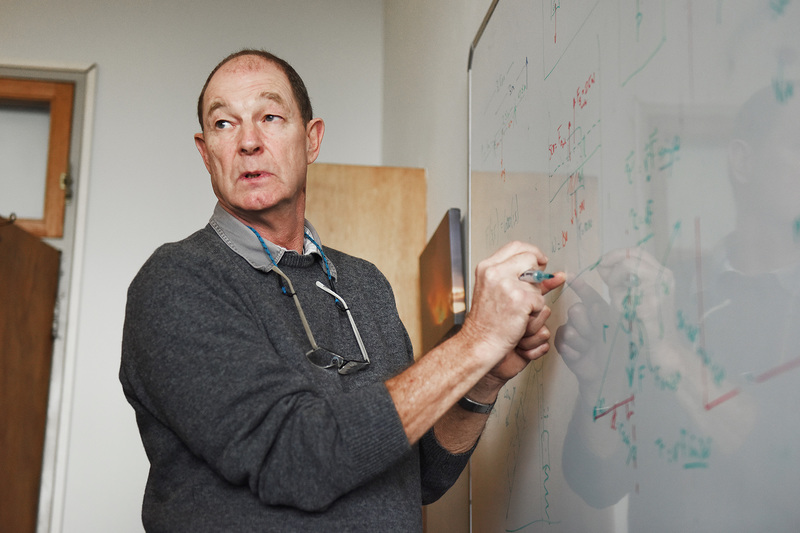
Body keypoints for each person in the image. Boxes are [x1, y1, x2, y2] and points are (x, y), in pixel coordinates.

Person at [120, 49, 565, 531]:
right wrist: (474, 342)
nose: (249, 141)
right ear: (206, 152)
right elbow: (299, 458)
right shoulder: (176, 281)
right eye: (225, 124)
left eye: (270, 117)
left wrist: (483, 378)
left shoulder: (364, 283)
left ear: (311, 140)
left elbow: (419, 477)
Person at [554, 84, 800, 532]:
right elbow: (598, 483)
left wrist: (669, 353)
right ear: (743, 161)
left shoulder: (661, 323)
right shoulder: (669, 294)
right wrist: (600, 384)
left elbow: (789, 472)